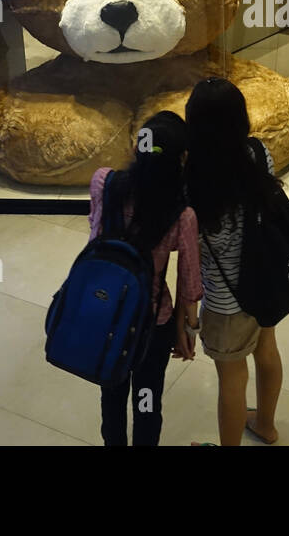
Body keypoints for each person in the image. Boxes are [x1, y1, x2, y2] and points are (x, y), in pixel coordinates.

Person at [89, 111, 202, 447]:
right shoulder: (182, 215)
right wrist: (187, 330)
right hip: (152, 324)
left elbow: (95, 239)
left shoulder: (103, 183)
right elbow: (189, 284)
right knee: (148, 401)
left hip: (106, 312)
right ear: (182, 160)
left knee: (111, 398)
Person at [181, 78, 283, 446]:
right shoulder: (258, 153)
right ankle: (266, 425)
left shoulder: (192, 179)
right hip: (265, 281)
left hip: (226, 301)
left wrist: (188, 316)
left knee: (231, 376)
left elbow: (190, 248)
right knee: (267, 349)